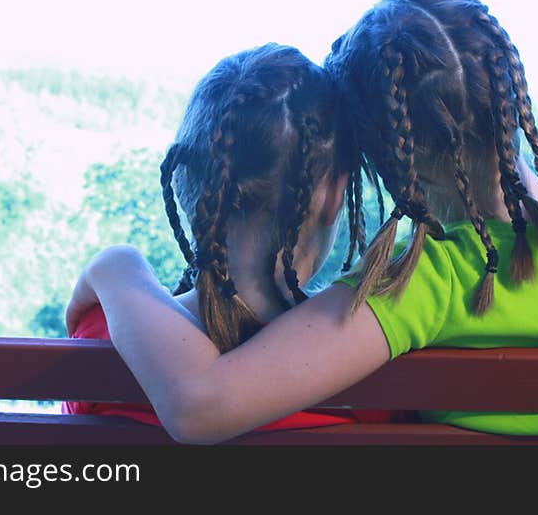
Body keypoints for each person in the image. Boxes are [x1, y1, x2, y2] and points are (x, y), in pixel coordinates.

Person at [66, 0, 538, 444]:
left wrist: (116, 267)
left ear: (388, 156)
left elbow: (204, 403)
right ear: (511, 98)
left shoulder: (425, 285)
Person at [64, 42, 405, 429]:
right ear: (334, 195)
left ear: (186, 185)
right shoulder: (366, 360)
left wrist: (116, 267)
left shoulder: (104, 331)